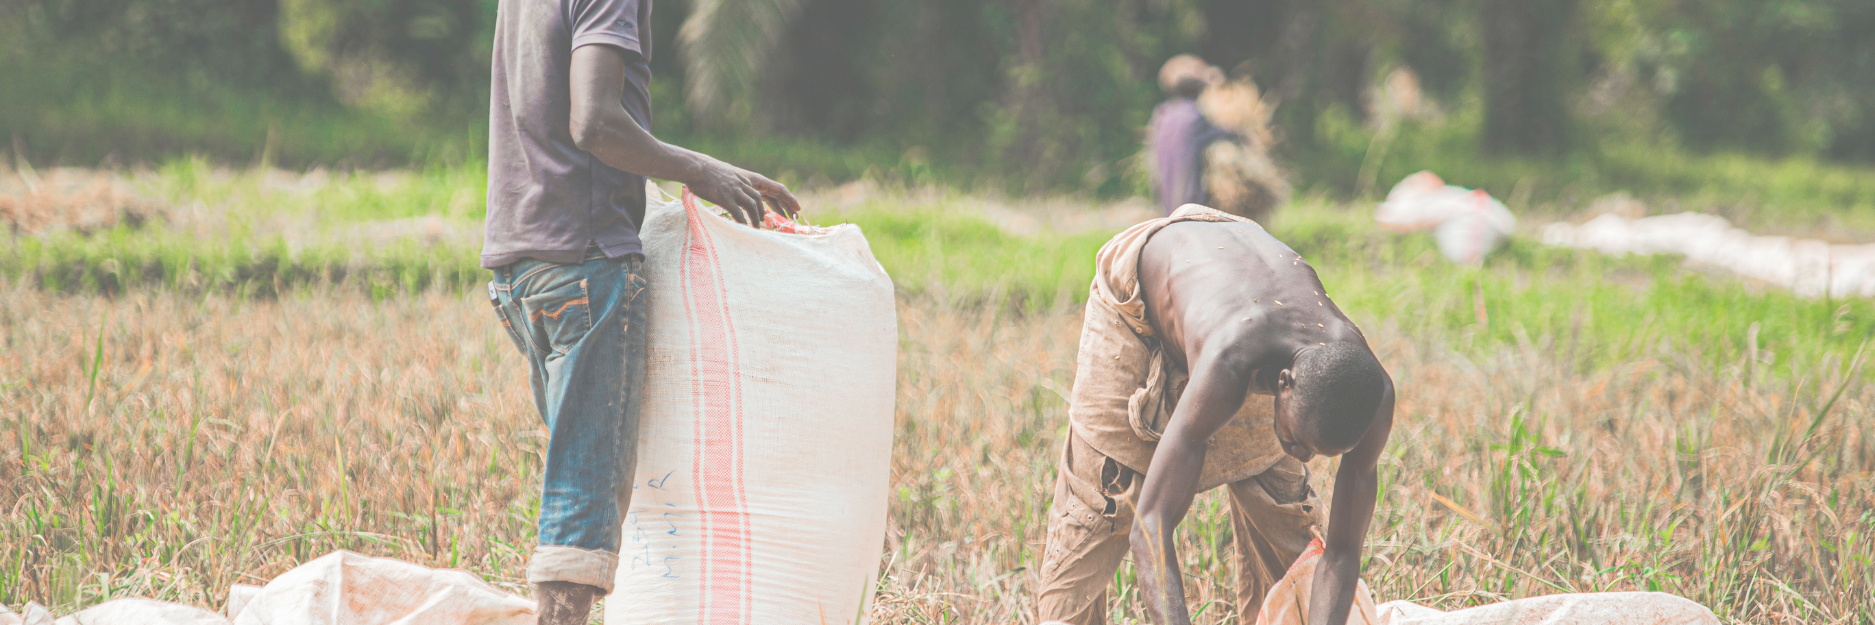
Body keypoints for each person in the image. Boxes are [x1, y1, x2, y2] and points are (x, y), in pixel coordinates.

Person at [479, 1, 800, 623]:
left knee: (586, 465)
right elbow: (595, 123)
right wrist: (701, 170)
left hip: (522, 267)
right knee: (586, 481)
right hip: (585, 259)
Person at [1035, 205, 1394, 625]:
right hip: (1140, 301)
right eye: (1298, 441)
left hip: (1242, 300)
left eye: (1316, 451)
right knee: (1103, 501)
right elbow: (1150, 525)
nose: (1304, 457)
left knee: (1284, 526)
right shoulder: (1231, 360)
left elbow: (1343, 551)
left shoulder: (1371, 393)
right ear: (1283, 383)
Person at [1147, 55, 1232, 215]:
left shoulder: (1162, 114)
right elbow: (1225, 133)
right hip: (1189, 204)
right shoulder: (1194, 116)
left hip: (1166, 203)